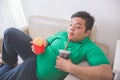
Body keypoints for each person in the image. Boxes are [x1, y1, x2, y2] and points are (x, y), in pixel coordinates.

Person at [0, 11, 113, 80]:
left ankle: (7, 67)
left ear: (87, 32)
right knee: (10, 32)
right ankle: (10, 62)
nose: (71, 28)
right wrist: (40, 44)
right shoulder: (62, 34)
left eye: (77, 27)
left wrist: (70, 67)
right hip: (36, 54)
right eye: (71, 24)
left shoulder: (89, 47)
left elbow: (107, 73)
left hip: (36, 69)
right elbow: (47, 41)